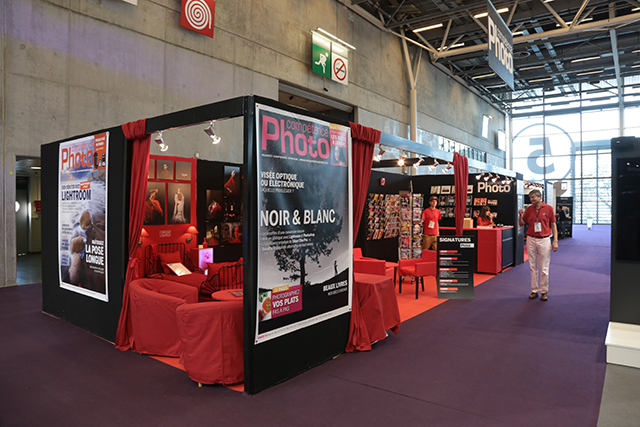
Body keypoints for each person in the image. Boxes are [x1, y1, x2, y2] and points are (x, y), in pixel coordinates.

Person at [519, 189, 558, 301]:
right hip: (531, 239)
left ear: (540, 197)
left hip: (544, 239)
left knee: (544, 267)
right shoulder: (529, 209)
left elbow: (553, 225)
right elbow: (522, 223)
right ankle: (534, 290)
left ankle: (544, 291)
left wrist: (555, 241)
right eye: (530, 197)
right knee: (532, 266)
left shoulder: (549, 208)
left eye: (533, 197)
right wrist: (520, 215)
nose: (531, 199)